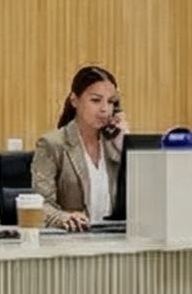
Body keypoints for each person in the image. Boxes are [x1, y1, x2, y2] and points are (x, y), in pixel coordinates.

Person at [32, 64, 124, 231]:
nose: (105, 109)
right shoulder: (52, 144)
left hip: (115, 239)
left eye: (111, 102)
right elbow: (39, 204)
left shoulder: (115, 144)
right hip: (73, 242)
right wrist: (63, 218)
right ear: (75, 100)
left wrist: (124, 146)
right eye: (96, 100)